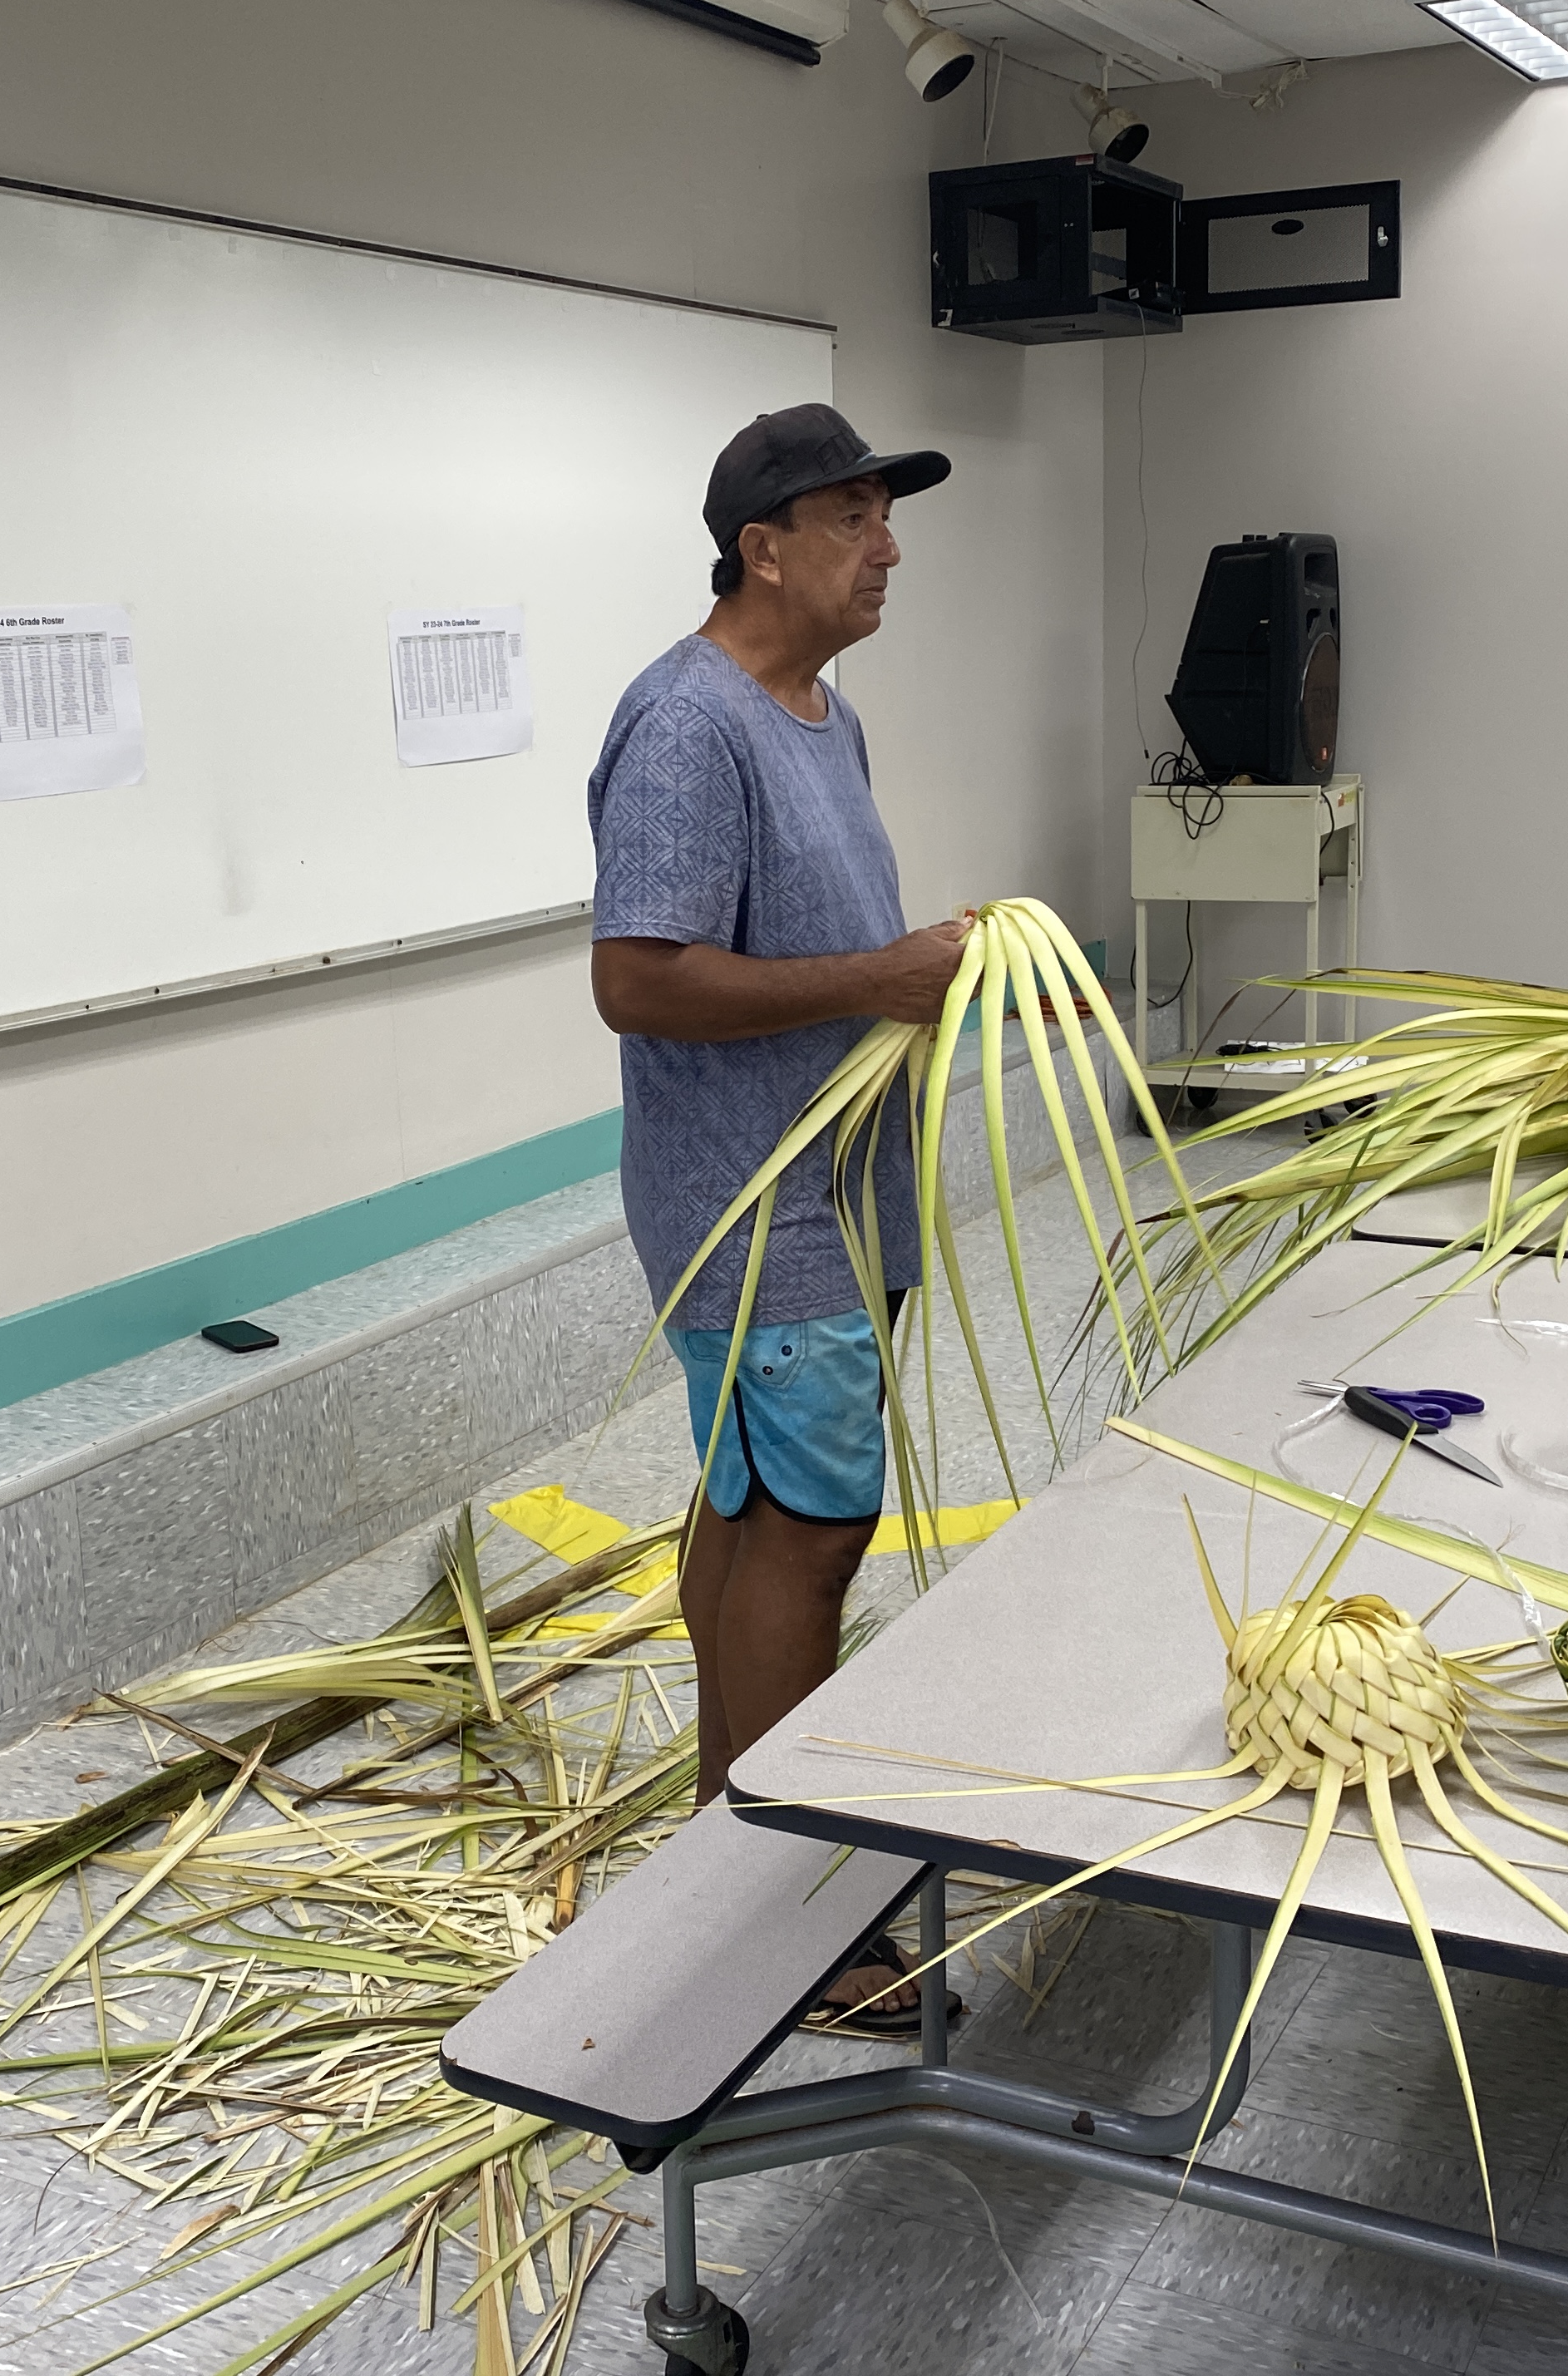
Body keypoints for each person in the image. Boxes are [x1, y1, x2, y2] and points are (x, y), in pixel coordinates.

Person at [585, 403, 964, 2035]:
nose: (888, 550)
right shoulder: (689, 728)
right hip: (752, 1207)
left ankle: (727, 1838)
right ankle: (797, 1927)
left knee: (750, 1509)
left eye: (889, 519)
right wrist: (884, 979)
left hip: (837, 1187)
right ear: (767, 547)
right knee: (808, 1537)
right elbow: (640, 977)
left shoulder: (822, 714)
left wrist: (919, 990)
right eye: (859, 519)